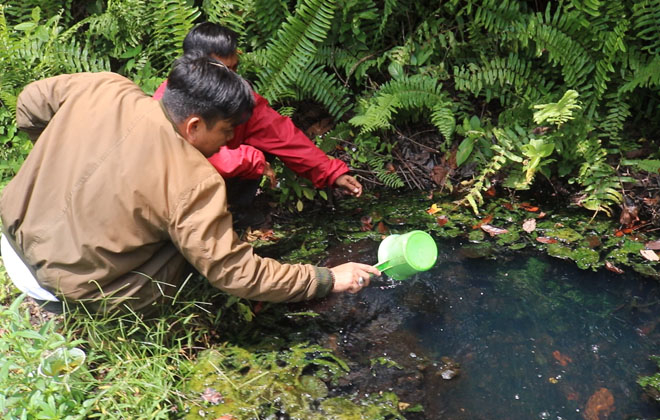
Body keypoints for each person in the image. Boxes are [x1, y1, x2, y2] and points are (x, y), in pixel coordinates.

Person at [0, 56, 379, 315]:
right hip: (65, 288)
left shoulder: (105, 86)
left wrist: (56, 153)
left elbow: (29, 103)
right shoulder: (195, 181)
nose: (230, 143)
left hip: (11, 238)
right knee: (195, 255)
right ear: (194, 125)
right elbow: (237, 274)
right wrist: (327, 278)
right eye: (227, 132)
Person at [152, 23, 363, 217]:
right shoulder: (170, 101)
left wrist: (332, 173)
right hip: (174, 199)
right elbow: (182, 159)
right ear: (198, 66)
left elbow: (281, 134)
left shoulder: (240, 98)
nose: (234, 78)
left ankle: (235, 215)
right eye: (225, 70)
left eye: (235, 69)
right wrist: (250, 159)